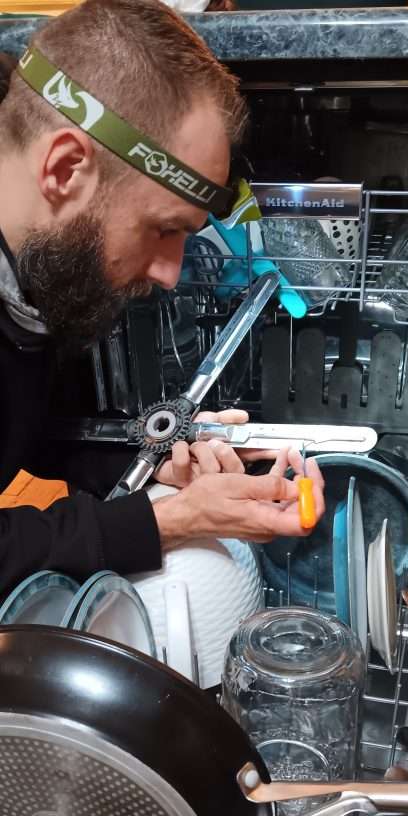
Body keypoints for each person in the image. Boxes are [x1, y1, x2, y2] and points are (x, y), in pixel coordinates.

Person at [0, 0, 324, 600]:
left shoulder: (43, 263)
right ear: (66, 169)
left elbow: (35, 428)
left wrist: (158, 452)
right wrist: (167, 522)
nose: (172, 274)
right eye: (162, 228)